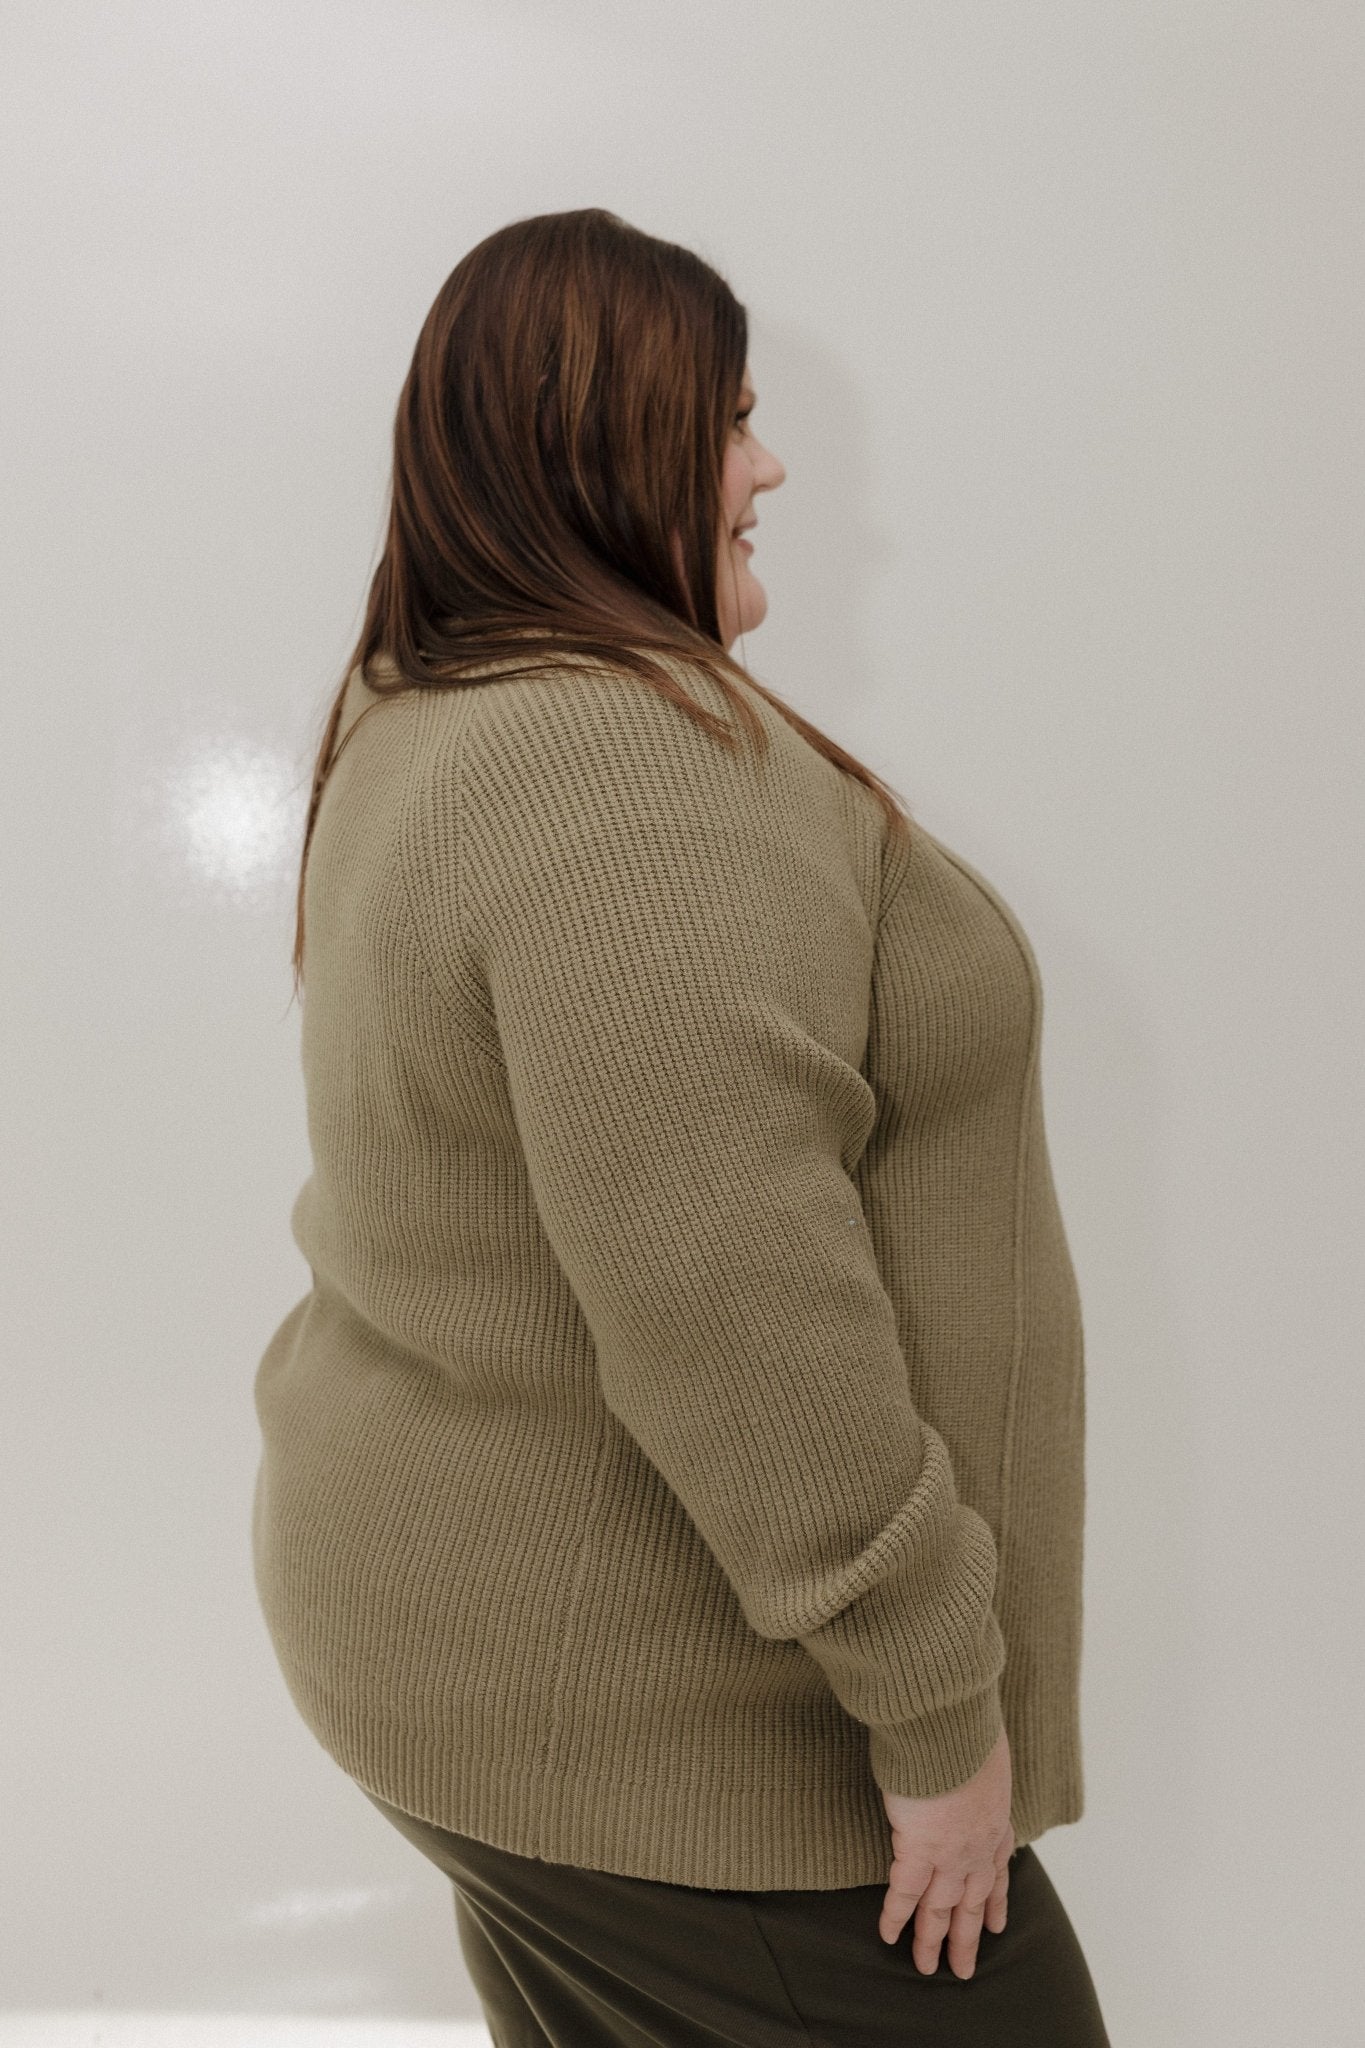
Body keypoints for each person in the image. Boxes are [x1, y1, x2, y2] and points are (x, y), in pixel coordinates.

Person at [251, 206, 1110, 2045]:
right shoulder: (611, 769)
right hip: (676, 1723)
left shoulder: (437, 702)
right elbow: (736, 1309)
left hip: (484, 1656)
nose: (767, 468)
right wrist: (936, 1715)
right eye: (728, 422)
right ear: (602, 444)